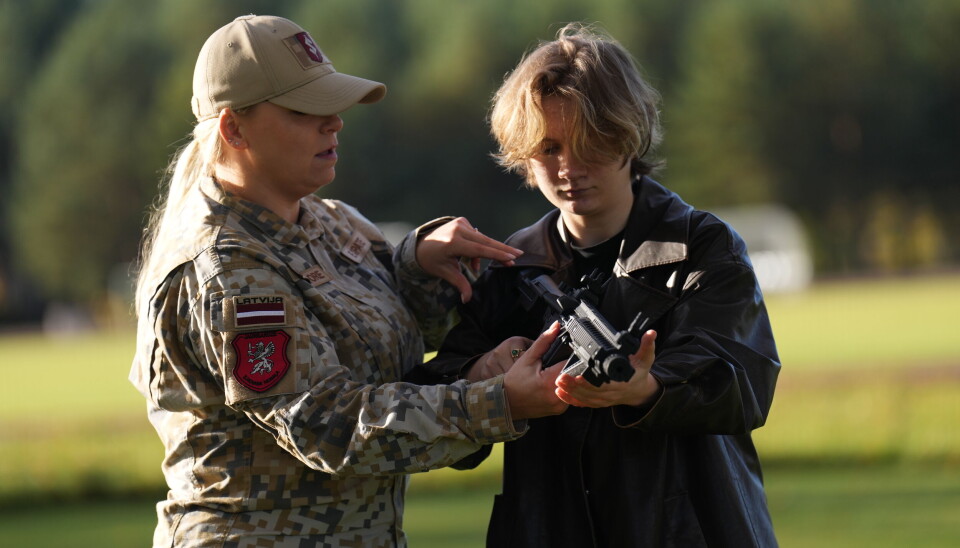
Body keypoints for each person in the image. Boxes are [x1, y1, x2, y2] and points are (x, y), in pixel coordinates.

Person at [129, 15, 567, 548]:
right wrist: (496, 403)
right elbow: (327, 426)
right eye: (304, 110)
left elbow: (395, 336)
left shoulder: (330, 221)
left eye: (331, 105)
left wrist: (416, 262)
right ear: (233, 129)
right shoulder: (226, 268)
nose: (334, 122)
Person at [421, 23, 781, 547]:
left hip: (690, 528)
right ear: (521, 154)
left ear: (628, 136)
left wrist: (648, 390)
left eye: (590, 143)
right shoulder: (511, 266)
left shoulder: (702, 246)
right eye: (548, 147)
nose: (569, 168)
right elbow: (441, 419)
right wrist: (484, 377)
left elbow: (742, 385)